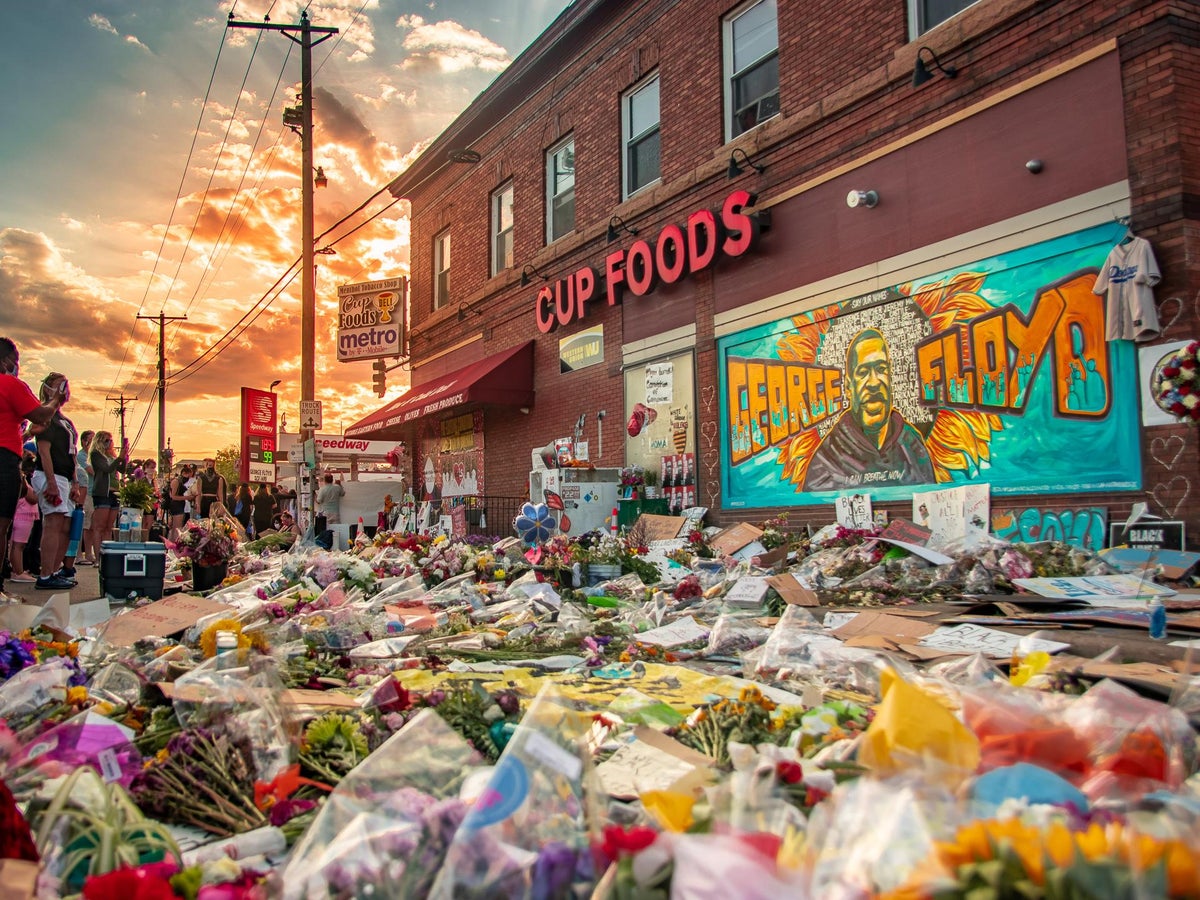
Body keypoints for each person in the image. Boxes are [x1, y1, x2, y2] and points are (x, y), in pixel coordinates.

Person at [803, 329, 935, 492]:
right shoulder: (826, 460)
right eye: (863, 372)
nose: (874, 383)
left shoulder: (911, 445)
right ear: (849, 387)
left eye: (881, 369)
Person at [0, 339, 68, 598]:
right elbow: (40, 415)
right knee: (2, 525)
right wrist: (55, 400)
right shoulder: (10, 384)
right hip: (4, 457)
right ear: (8, 361)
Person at [32, 373, 82, 589]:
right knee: (53, 521)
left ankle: (54, 570)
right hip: (49, 474)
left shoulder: (65, 421)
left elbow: (72, 453)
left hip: (66, 477)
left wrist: (75, 482)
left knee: (65, 524)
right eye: (60, 386)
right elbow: (44, 451)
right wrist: (51, 482)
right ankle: (45, 575)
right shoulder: (45, 415)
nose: (65, 390)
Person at [89, 432, 127, 558]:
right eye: (106, 441)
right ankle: (98, 557)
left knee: (108, 527)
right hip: (103, 492)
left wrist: (123, 457)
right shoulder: (96, 454)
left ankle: (106, 556)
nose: (109, 443)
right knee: (99, 526)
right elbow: (107, 469)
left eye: (111, 440)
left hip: (114, 492)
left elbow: (121, 470)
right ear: (99, 441)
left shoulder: (111, 455)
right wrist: (119, 458)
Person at [7, 457, 39, 583]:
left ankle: (16, 569)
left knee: (15, 545)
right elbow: (33, 499)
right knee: (19, 546)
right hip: (23, 517)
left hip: (20, 516)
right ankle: (18, 572)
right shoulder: (22, 482)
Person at [75, 430, 96, 565]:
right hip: (85, 493)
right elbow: (92, 472)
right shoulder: (82, 456)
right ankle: (77, 555)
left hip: (94, 493)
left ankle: (89, 553)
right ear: (83, 441)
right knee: (82, 525)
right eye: (91, 439)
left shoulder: (95, 456)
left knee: (91, 527)